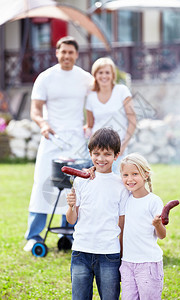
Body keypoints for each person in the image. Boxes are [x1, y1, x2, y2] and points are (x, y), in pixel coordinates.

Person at [23, 36, 93, 252]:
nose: (66, 56)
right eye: (63, 52)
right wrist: (43, 124)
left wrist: (89, 126)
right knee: (42, 183)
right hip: (51, 137)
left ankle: (69, 234)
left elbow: (93, 105)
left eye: (71, 52)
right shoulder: (46, 78)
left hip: (75, 140)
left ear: (76, 55)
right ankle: (34, 236)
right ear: (57, 52)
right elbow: (35, 110)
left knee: (72, 187)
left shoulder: (85, 78)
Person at [66, 128, 129, 300]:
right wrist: (71, 206)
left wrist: (123, 256)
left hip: (109, 253)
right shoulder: (81, 181)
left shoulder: (121, 185)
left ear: (116, 155)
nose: (101, 159)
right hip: (80, 251)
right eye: (96, 153)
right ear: (90, 153)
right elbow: (71, 220)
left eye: (107, 154)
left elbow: (122, 226)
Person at [119, 153, 166, 300]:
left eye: (135, 174)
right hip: (127, 262)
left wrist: (158, 225)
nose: (130, 179)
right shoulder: (125, 199)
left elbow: (162, 235)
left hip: (148, 263)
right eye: (125, 175)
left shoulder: (153, 201)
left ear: (145, 174)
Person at [85, 57, 136, 173]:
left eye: (107, 72)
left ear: (113, 75)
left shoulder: (122, 91)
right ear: (95, 75)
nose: (104, 76)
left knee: (120, 183)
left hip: (118, 149)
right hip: (98, 152)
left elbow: (132, 120)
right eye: (100, 72)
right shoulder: (91, 96)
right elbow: (90, 124)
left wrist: (123, 145)